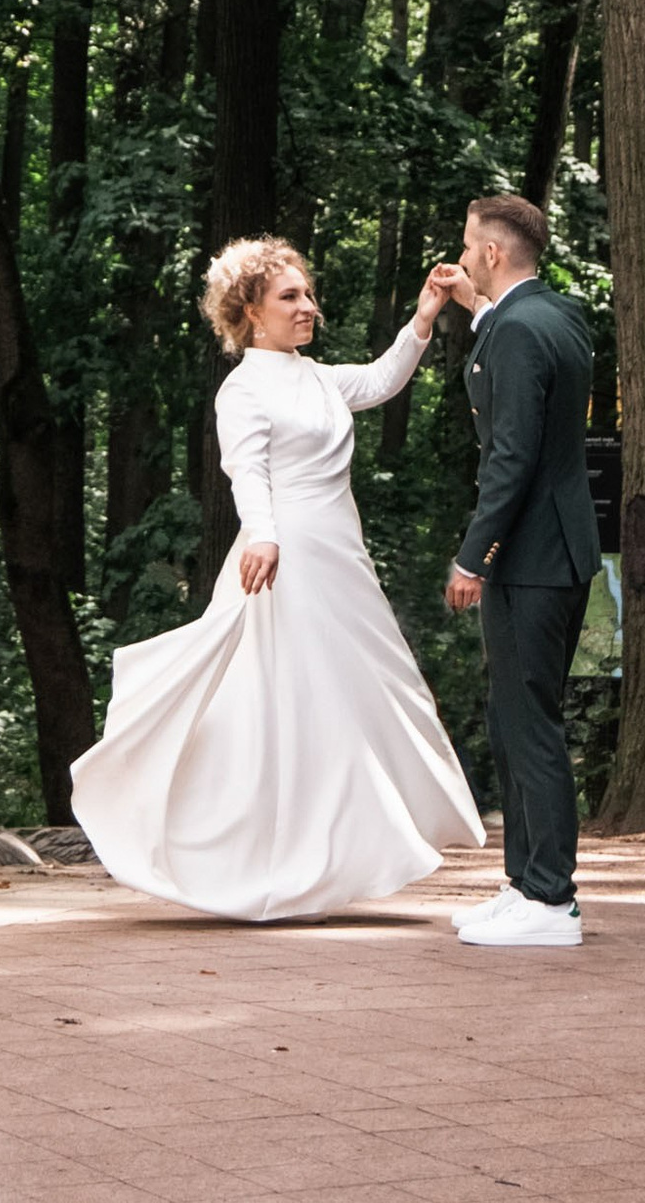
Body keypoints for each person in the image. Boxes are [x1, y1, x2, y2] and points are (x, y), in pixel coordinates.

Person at [68, 234, 485, 921]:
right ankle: (258, 860)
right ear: (251, 313)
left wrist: (425, 314)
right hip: (282, 557)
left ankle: (337, 854)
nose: (308, 307)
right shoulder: (244, 388)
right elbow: (246, 468)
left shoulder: (317, 378)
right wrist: (262, 535)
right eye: (290, 297)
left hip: (339, 558)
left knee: (369, 693)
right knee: (281, 704)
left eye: (308, 295)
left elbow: (380, 381)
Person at [436, 190, 599, 951]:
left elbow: (511, 455)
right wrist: (475, 308)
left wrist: (475, 553)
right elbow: (519, 352)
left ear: (494, 253)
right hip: (559, 551)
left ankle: (551, 897)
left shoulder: (516, 334)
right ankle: (524, 883)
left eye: (471, 247)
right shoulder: (557, 317)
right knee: (515, 718)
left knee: (529, 724)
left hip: (529, 557)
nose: (465, 255)